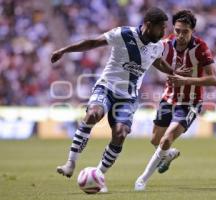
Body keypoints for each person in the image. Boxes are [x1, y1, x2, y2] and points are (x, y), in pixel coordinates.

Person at [51, 7, 184, 193]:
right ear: (148, 25)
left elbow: (157, 61)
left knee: (120, 134)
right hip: (106, 87)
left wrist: (173, 73)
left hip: (128, 98)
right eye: (161, 28)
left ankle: (99, 175)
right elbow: (92, 43)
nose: (164, 32)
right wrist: (64, 50)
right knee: (93, 115)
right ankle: (70, 163)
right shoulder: (123, 33)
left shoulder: (158, 46)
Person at [134, 10, 216, 191]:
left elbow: (213, 79)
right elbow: (150, 56)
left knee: (166, 139)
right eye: (178, 30)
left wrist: (186, 80)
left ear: (192, 31)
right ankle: (169, 154)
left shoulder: (201, 48)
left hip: (190, 102)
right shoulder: (165, 44)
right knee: (155, 140)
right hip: (168, 97)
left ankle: (142, 179)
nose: (180, 35)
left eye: (185, 32)